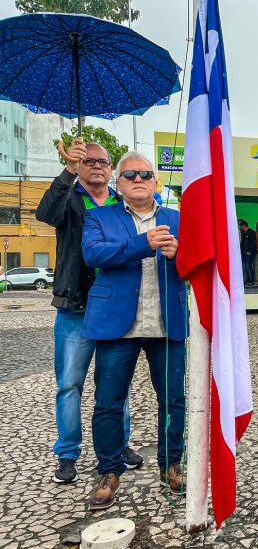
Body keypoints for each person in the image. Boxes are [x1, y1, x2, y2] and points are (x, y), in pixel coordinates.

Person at [81, 151, 187, 509]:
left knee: (173, 399)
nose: (138, 179)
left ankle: (171, 464)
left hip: (165, 323)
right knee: (109, 402)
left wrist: (178, 255)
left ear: (156, 181)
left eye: (145, 174)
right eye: (130, 175)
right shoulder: (98, 217)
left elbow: (199, 265)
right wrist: (145, 243)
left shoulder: (178, 218)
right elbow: (94, 256)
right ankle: (109, 470)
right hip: (116, 325)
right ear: (118, 183)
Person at [36, 141, 141, 485]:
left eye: (103, 161)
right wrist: (67, 169)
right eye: (88, 160)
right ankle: (67, 452)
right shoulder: (68, 197)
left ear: (112, 169)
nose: (96, 165)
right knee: (69, 385)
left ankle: (118, 444)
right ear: (79, 166)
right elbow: (45, 213)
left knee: (116, 385)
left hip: (114, 308)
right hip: (75, 307)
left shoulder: (121, 203)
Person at [239, 219, 256, 286]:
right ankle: (248, 281)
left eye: (241, 226)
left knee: (249, 267)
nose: (240, 228)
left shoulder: (251, 232)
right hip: (244, 253)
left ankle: (251, 281)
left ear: (244, 226)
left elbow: (253, 243)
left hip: (249, 253)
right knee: (245, 267)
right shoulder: (243, 233)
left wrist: (249, 251)